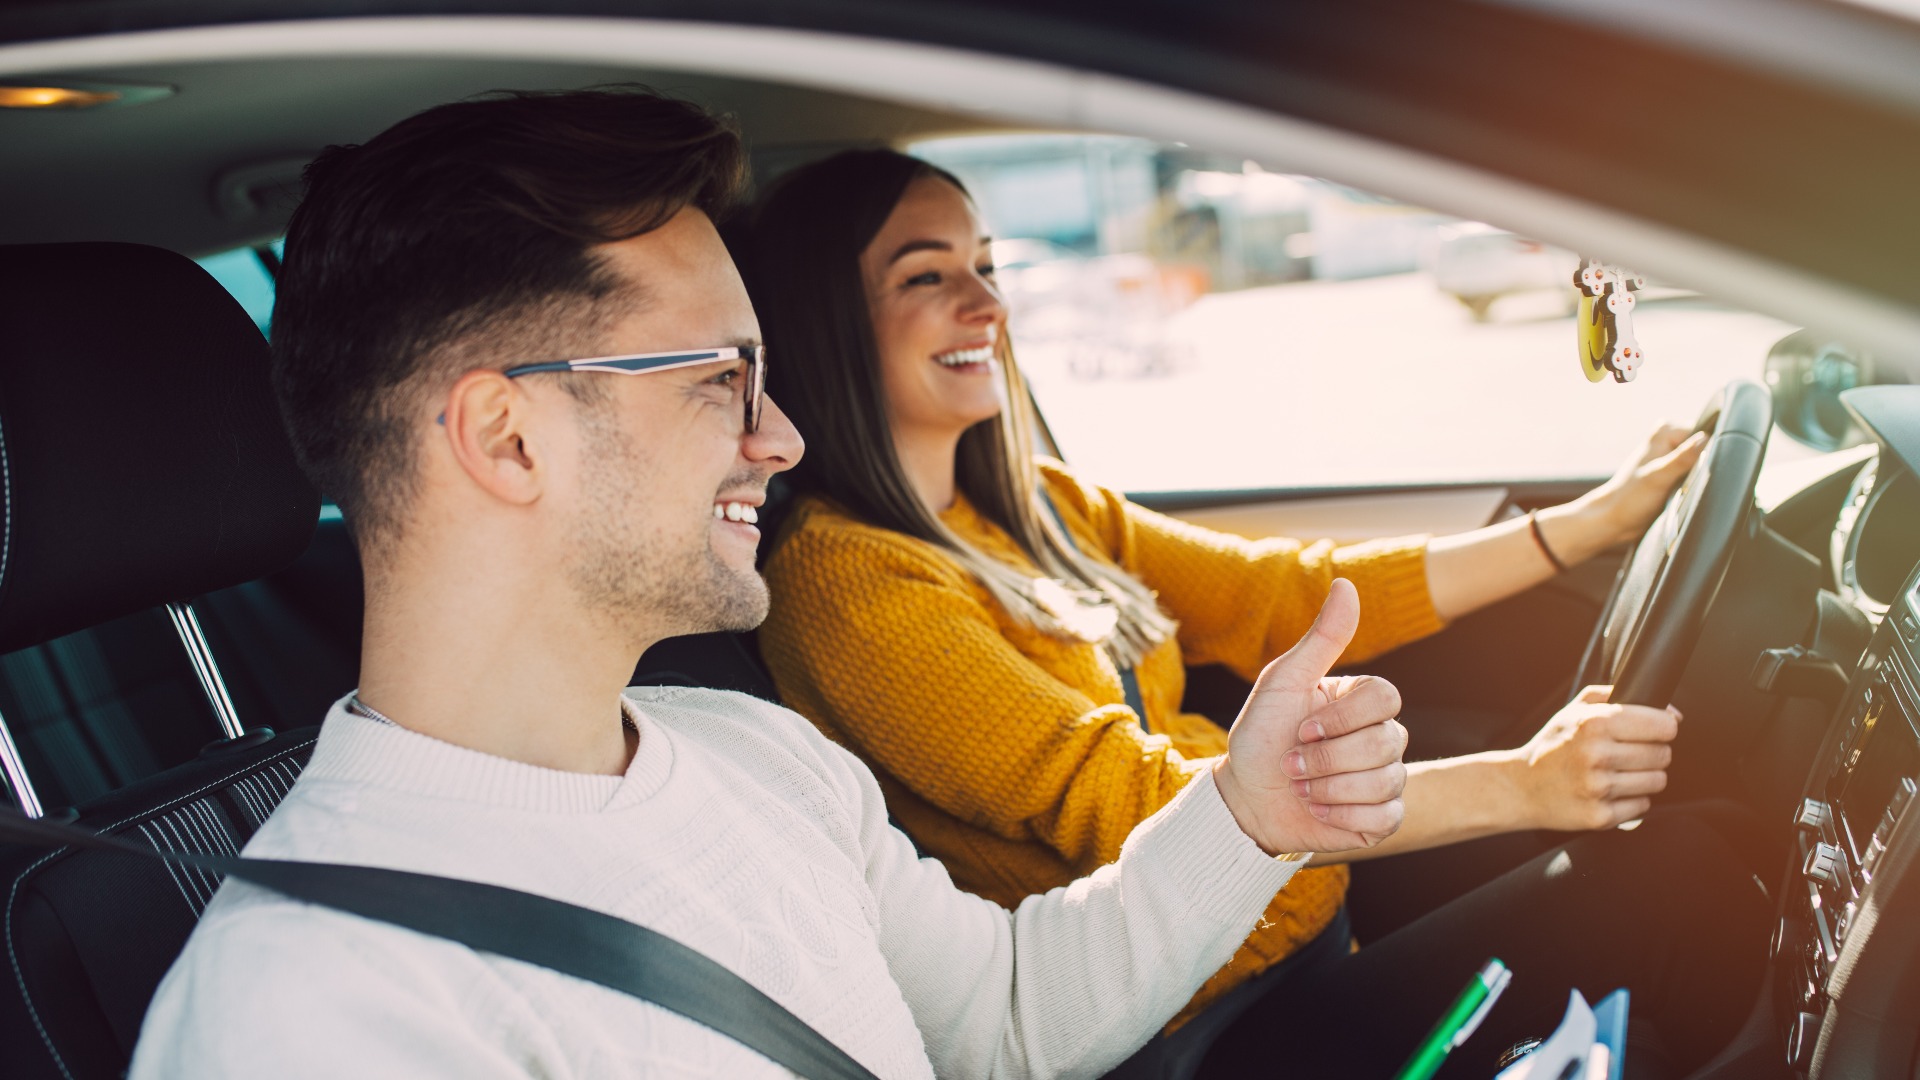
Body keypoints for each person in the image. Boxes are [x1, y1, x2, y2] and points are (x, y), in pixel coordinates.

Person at [128, 89, 1416, 1079]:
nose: (782, 439)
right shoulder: (302, 1013)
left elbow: (1009, 1019)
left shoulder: (754, 753)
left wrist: (1248, 815)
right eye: (716, 380)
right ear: (507, 437)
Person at [745, 149, 1772, 1077]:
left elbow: (1277, 597)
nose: (986, 304)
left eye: (988, 265)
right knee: (1693, 869)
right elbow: (1140, 799)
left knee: (1687, 854)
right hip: (1209, 1034)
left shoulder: (1036, 506)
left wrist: (1586, 527)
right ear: (826, 320)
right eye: (927, 276)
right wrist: (1528, 784)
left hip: (1303, 937)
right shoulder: (850, 587)